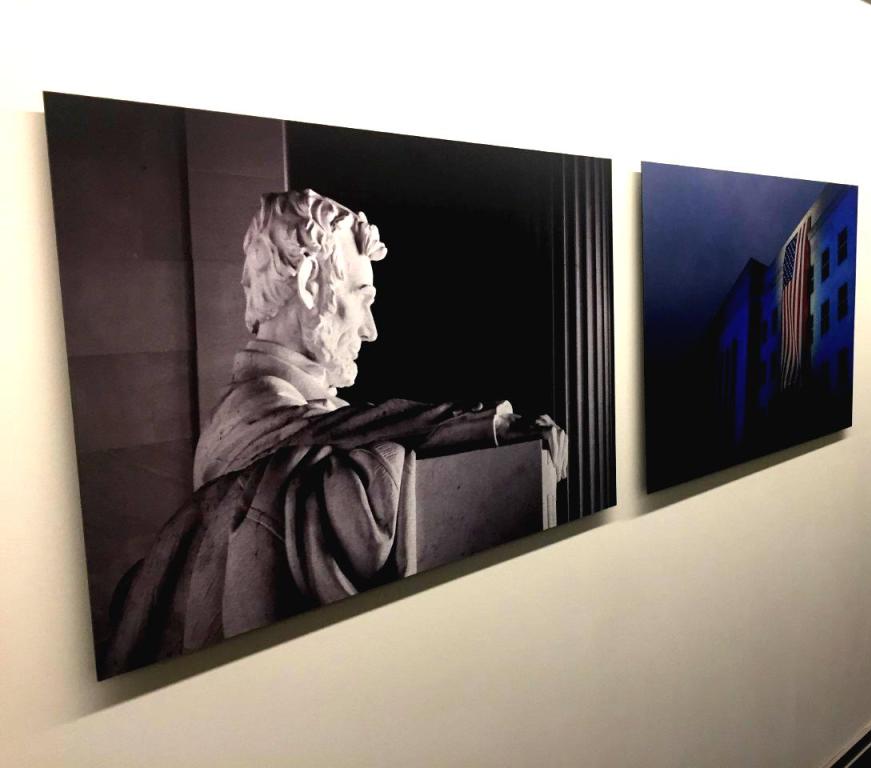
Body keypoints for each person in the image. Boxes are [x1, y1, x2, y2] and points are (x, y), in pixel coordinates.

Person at [103, 190, 567, 676]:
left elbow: (341, 428)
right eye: (361, 298)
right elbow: (340, 430)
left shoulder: (307, 415)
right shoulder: (251, 413)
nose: (370, 329)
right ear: (309, 284)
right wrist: (487, 427)